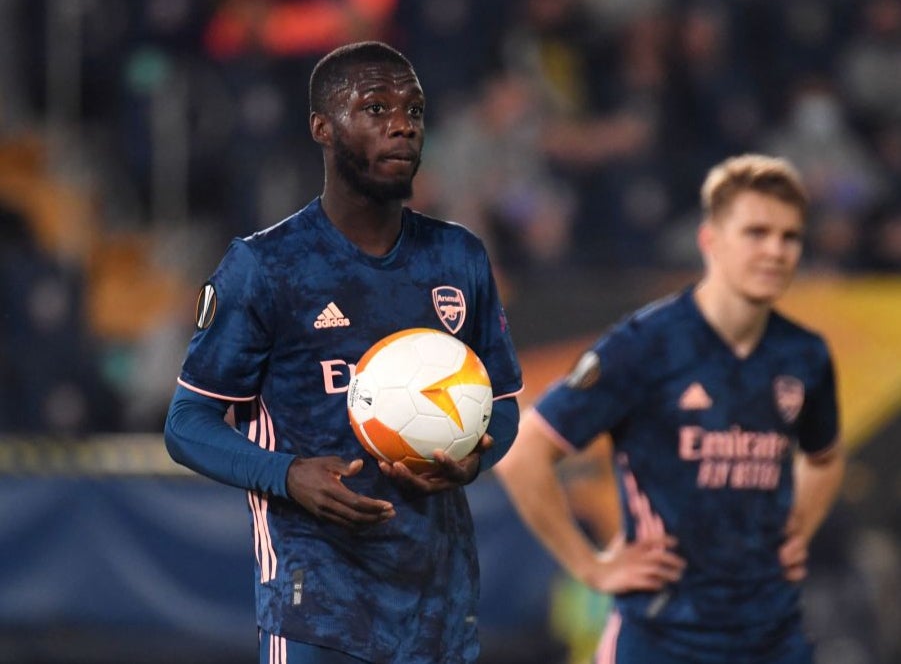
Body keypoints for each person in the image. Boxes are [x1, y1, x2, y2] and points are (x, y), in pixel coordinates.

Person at [164, 41, 523, 664]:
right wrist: (287, 476)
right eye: (376, 107)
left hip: (440, 603)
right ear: (322, 128)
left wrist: (472, 461)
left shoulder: (458, 257)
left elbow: (506, 405)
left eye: (413, 109)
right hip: (316, 604)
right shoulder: (266, 266)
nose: (403, 123)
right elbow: (186, 424)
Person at [495, 153, 846, 664]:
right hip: (664, 637)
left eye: (789, 237)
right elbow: (523, 451)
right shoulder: (645, 345)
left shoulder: (805, 355)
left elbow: (825, 456)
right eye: (756, 232)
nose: (775, 250)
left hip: (773, 636)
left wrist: (800, 528)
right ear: (710, 240)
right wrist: (592, 568)